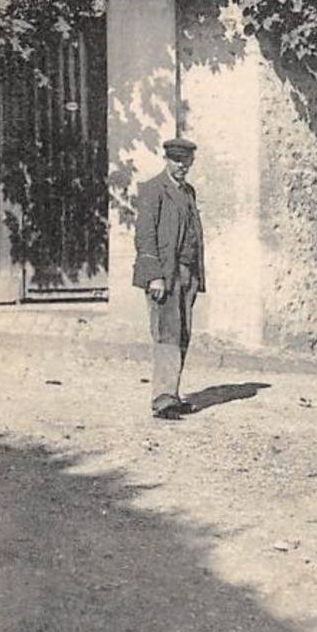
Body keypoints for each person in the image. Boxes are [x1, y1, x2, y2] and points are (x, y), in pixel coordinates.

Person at [133, 137, 205, 420]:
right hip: (164, 274)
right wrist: (154, 277)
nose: (182, 167)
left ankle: (172, 394)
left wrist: (196, 275)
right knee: (166, 333)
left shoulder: (189, 192)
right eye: (177, 161)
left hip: (187, 273)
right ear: (167, 160)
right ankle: (162, 399)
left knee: (182, 333)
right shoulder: (153, 190)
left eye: (186, 162)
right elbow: (145, 236)